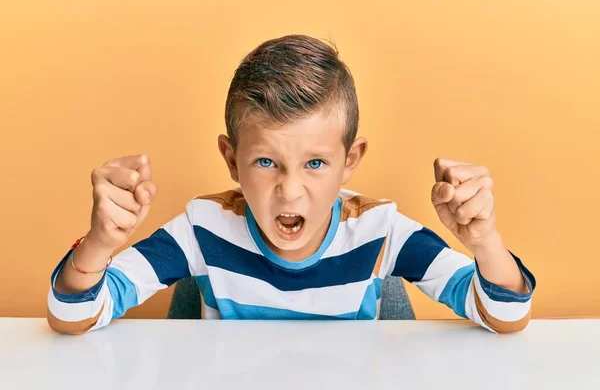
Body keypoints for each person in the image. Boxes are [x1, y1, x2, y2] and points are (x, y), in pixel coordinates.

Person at [47, 34, 535, 335]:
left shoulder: (382, 231)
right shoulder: (202, 230)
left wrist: (485, 242)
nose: (290, 190)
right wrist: (99, 244)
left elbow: (504, 316)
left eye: (316, 163)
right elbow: (72, 316)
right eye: (266, 161)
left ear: (351, 160)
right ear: (231, 161)